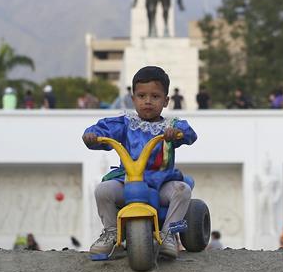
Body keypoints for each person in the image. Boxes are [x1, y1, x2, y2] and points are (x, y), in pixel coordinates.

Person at [82, 66, 197, 260]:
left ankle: (170, 234)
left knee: (182, 191)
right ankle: (111, 233)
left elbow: (190, 134)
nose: (148, 101)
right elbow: (102, 130)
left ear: (166, 100)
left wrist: (177, 134)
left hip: (161, 181)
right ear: (133, 99)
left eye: (155, 96)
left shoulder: (171, 125)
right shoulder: (126, 124)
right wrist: (92, 136)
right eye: (142, 96)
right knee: (103, 190)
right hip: (128, 179)